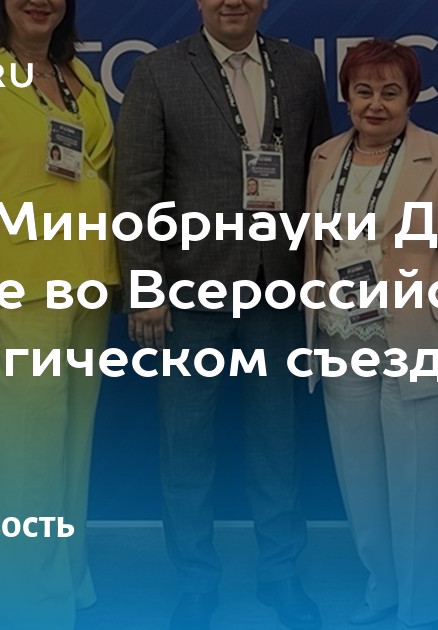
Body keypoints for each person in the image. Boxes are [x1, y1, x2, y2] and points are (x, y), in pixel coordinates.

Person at [114, 0, 332, 628]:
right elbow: (136, 187)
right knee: (185, 443)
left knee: (278, 441)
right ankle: (195, 582)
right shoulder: (158, 71)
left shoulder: (301, 68)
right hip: (189, 292)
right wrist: (145, 285)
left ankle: (282, 574)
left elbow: (323, 173)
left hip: (278, 288)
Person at [0, 0, 119, 627]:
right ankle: (19, 607)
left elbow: (95, 171)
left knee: (68, 449)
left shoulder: (80, 77)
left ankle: (63, 579)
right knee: (15, 461)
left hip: (87, 285)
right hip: (11, 293)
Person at [301, 40, 438, 630]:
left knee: (420, 485)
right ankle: (382, 587)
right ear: (346, 96)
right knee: (360, 481)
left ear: (410, 97)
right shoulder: (324, 156)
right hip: (341, 337)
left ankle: (420, 607)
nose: (375, 104)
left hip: (418, 339)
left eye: (390, 92)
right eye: (363, 91)